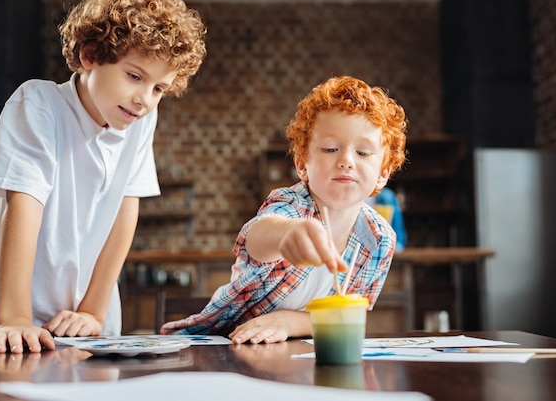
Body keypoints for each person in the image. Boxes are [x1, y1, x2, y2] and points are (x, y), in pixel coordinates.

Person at [0, 0, 206, 354]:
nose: (145, 100)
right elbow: (23, 207)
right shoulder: (39, 104)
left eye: (159, 88)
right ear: (91, 54)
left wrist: (93, 311)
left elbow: (126, 208)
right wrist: (14, 318)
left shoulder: (140, 119)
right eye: (134, 76)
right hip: (21, 326)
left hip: (92, 331)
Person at [161, 75, 408, 343]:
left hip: (302, 354)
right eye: (330, 148)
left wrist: (288, 322)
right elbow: (258, 236)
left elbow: (348, 318)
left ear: (383, 174)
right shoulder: (291, 205)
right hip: (228, 342)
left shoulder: (380, 239)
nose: (346, 161)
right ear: (302, 165)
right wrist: (287, 234)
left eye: (363, 153)